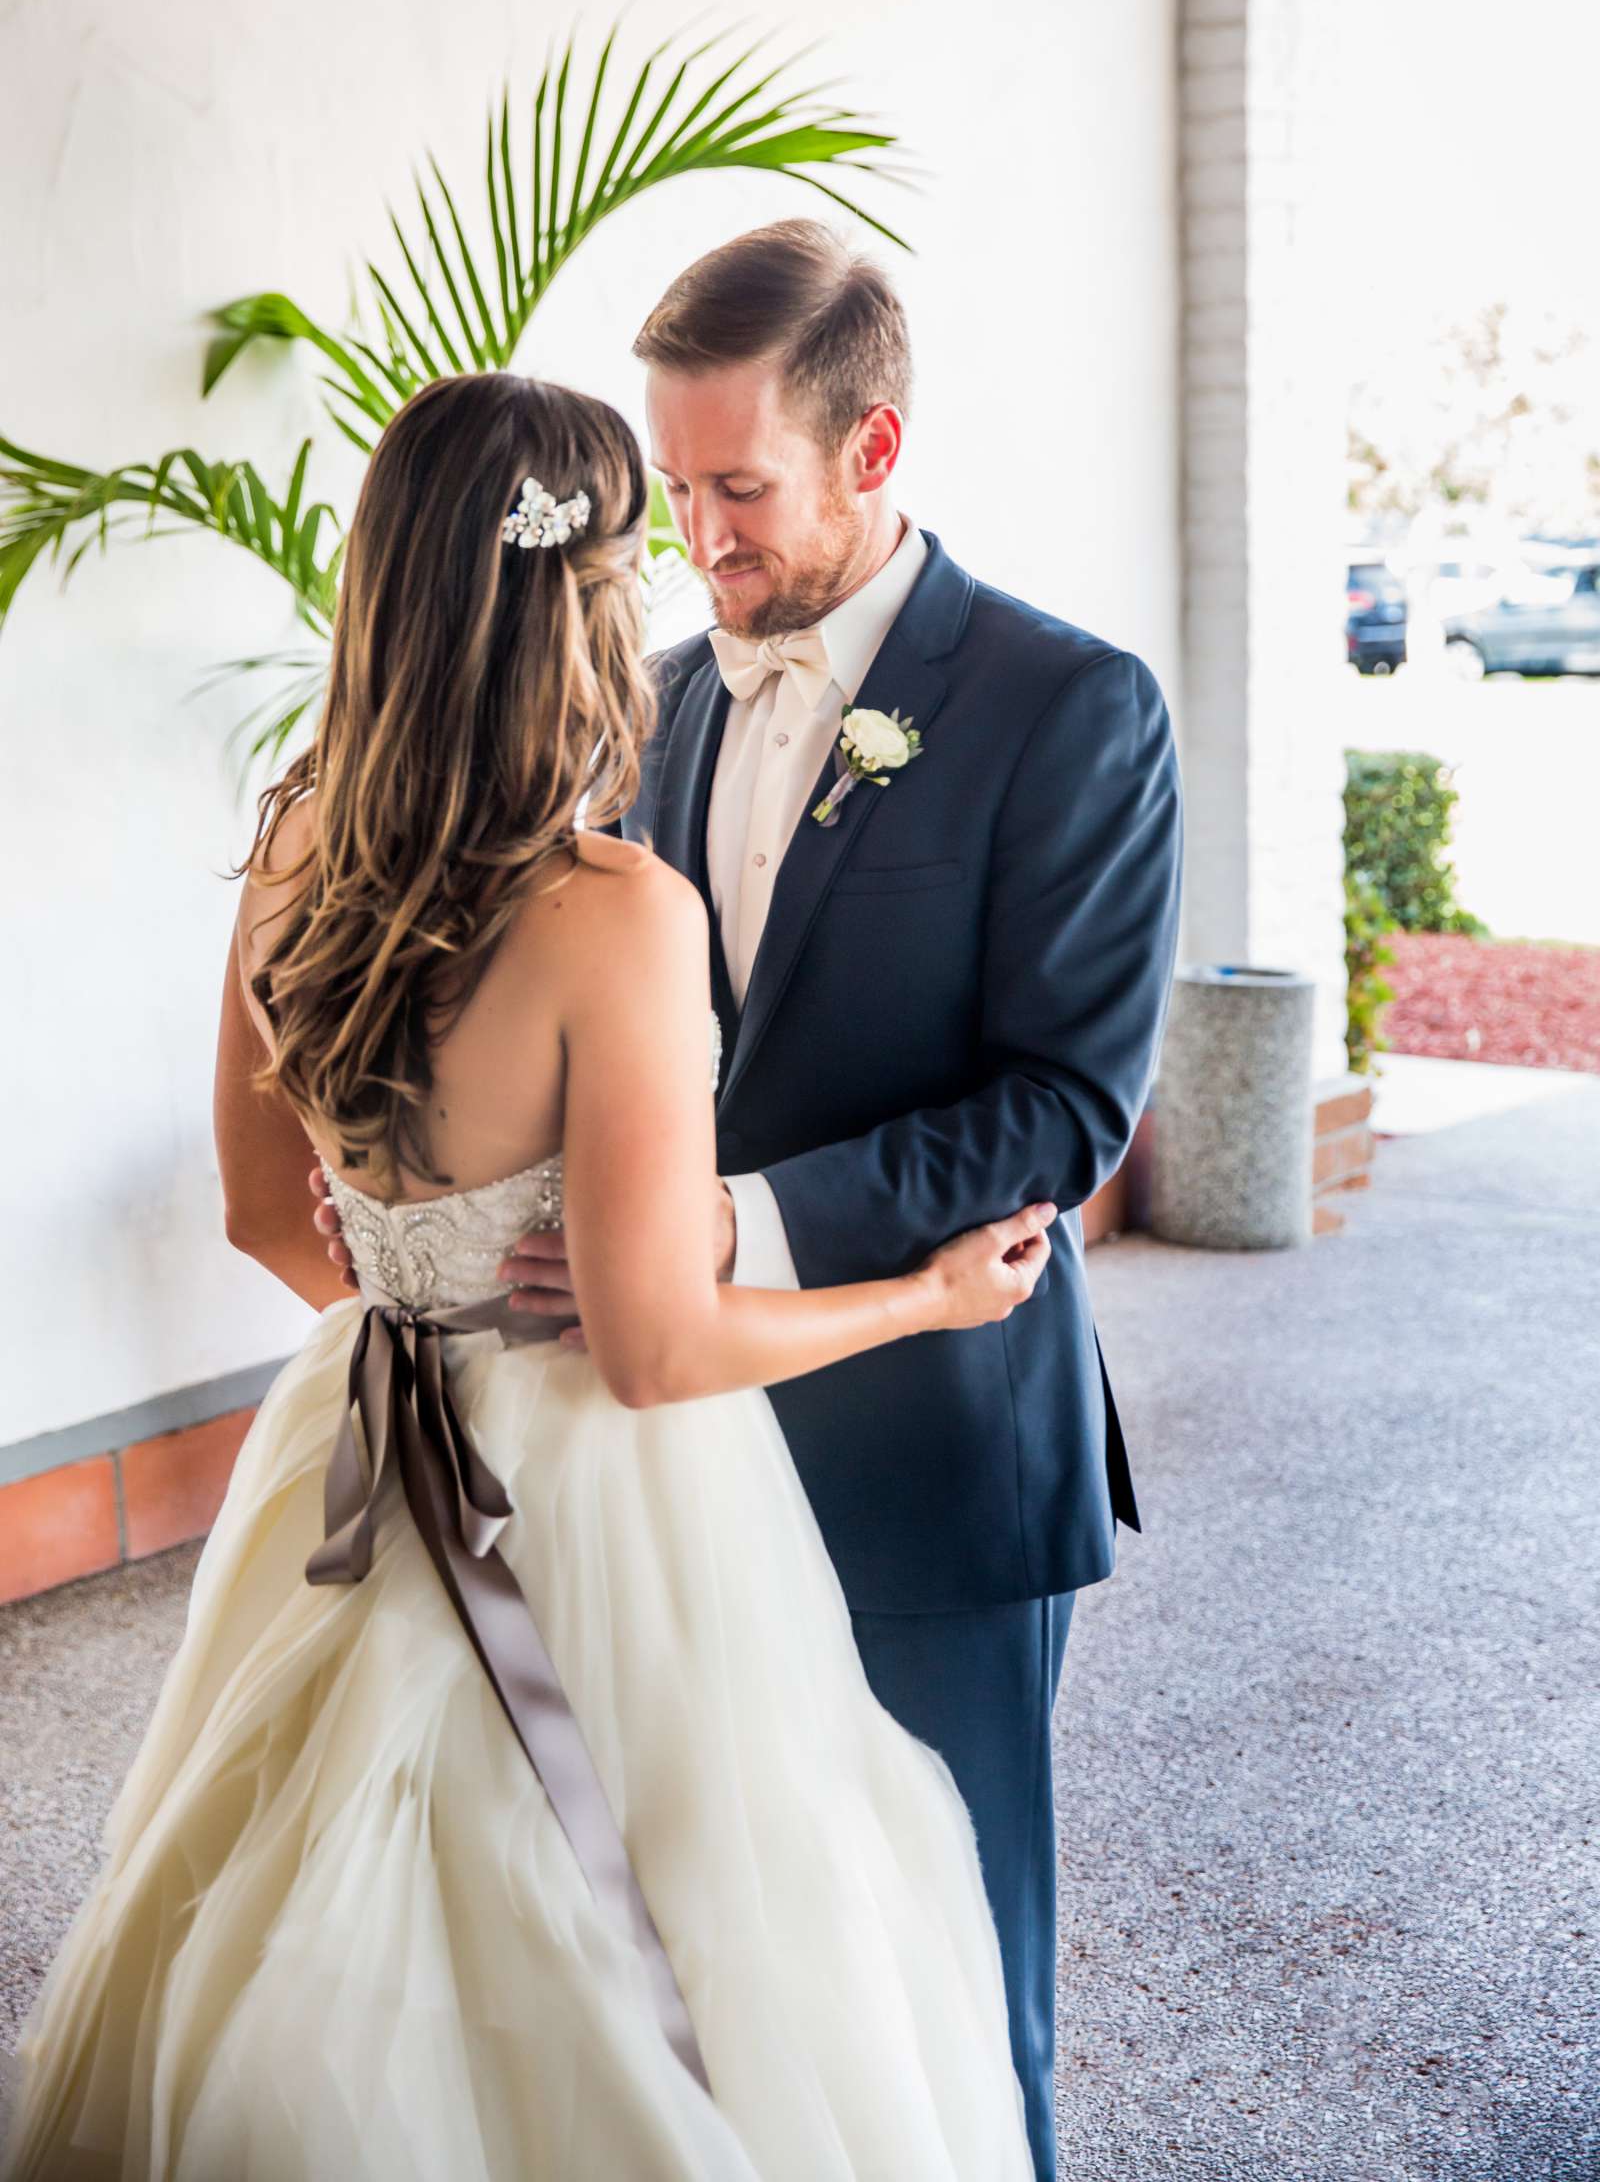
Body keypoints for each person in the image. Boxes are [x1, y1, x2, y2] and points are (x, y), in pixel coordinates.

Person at [1, 367, 1056, 2181]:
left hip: (362, 1425)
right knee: (671, 1935)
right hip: (592, 1499)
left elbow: (272, 1215)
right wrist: (935, 1298)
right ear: (575, 602)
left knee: (297, 1887)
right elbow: (652, 1352)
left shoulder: (289, 853)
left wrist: (422, 1283)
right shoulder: (613, 914)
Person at [317, 219, 1187, 2179]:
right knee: (695, 1986)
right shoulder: (637, 688)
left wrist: (733, 1223)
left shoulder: (1070, 706)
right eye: (671, 483)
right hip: (637, 1454)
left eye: (735, 487)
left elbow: (1061, 1105)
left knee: (942, 2003)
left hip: (922, 1448)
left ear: (871, 452)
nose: (694, 537)